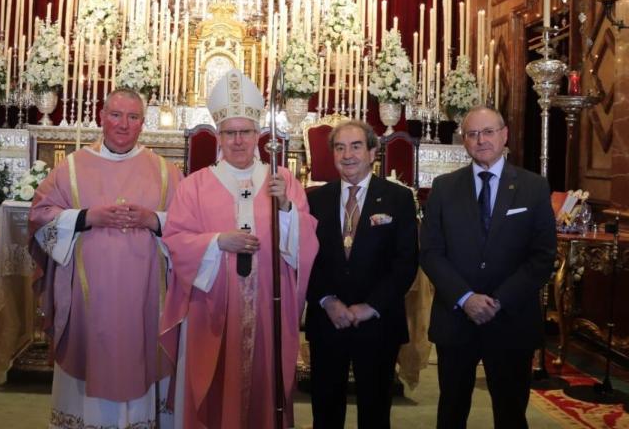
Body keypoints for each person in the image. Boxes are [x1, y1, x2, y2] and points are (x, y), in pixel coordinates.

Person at [160, 69, 318, 429]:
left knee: (264, 385)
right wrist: (217, 242)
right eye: (229, 133)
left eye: (245, 132)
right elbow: (176, 241)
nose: (237, 141)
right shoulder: (194, 186)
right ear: (218, 135)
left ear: (258, 134)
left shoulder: (281, 180)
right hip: (212, 307)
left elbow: (307, 243)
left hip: (268, 307)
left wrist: (286, 209)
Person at [29, 88, 183, 429]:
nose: (123, 124)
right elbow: (40, 216)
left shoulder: (165, 172)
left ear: (143, 122)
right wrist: (86, 217)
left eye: (133, 117)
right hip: (89, 301)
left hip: (145, 298)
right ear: (101, 117)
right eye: (116, 115)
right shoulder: (71, 167)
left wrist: (153, 220)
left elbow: (189, 227)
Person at [420, 106, 556, 429]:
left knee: (511, 415)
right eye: (473, 134)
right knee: (451, 413)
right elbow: (431, 252)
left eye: (488, 132)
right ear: (464, 140)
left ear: (504, 135)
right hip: (456, 319)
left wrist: (498, 301)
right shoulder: (444, 187)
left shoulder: (534, 187)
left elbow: (542, 256)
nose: (481, 140)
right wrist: (466, 298)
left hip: (511, 320)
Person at [305, 119, 419, 428]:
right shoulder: (314, 199)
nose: (348, 155)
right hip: (328, 320)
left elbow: (405, 262)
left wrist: (370, 306)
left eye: (356, 147)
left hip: (378, 322)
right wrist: (328, 301)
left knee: (375, 411)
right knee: (325, 411)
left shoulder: (398, 198)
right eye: (340, 148)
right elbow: (305, 258)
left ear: (372, 152)